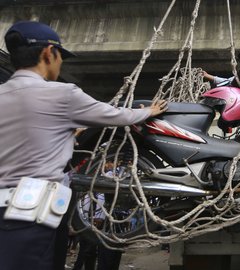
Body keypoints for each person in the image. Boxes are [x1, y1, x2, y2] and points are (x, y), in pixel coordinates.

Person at [0, 21, 168, 270]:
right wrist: (147, 112)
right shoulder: (63, 94)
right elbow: (115, 115)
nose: (61, 63)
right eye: (60, 57)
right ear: (48, 53)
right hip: (34, 211)